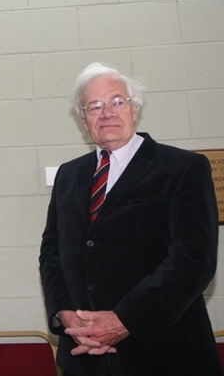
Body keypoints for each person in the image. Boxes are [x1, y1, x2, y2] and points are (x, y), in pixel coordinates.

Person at [39, 62, 222, 376]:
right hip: (86, 358)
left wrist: (123, 321)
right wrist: (67, 316)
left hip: (165, 355)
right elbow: (52, 252)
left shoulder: (182, 168)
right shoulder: (69, 175)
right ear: (83, 120)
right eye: (94, 106)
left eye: (117, 101)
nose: (107, 112)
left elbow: (193, 260)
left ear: (135, 109)